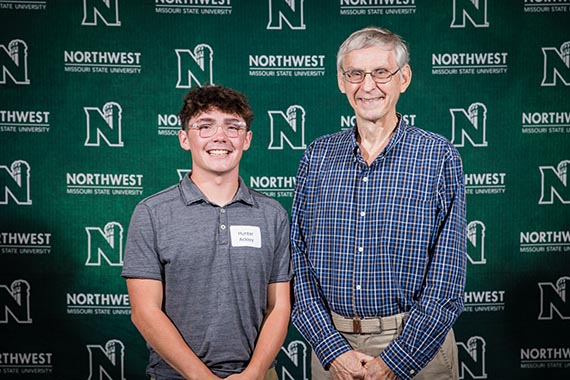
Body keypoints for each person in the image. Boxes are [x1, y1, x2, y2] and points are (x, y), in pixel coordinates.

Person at [290, 26, 467, 380]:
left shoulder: (437, 156)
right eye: (355, 74)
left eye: (381, 72)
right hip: (333, 349)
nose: (367, 85)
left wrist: (396, 360)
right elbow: (297, 257)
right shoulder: (317, 156)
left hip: (417, 350)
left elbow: (447, 274)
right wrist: (331, 348)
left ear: (404, 78)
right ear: (342, 81)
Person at [122, 85, 292, 380]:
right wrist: (201, 376)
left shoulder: (272, 214)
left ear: (247, 139)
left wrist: (254, 373)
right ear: (184, 139)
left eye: (233, 127)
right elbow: (144, 311)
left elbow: (278, 306)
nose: (220, 137)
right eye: (205, 126)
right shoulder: (151, 213)